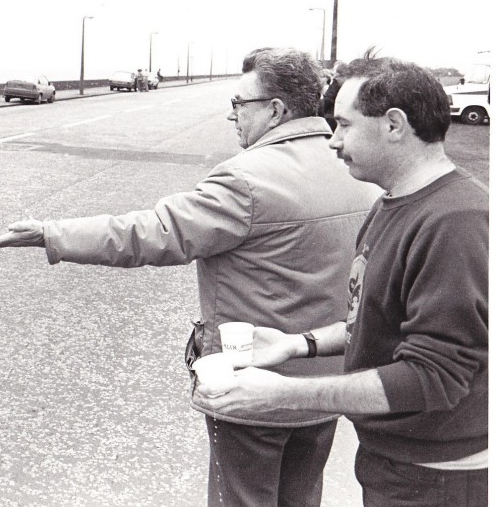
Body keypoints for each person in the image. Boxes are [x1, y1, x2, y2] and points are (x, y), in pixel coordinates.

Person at [0, 48, 381, 507]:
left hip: (253, 384)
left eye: (239, 104)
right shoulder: (355, 167)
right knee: (301, 497)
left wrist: (50, 234)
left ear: (275, 110)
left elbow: (149, 233)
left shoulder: (247, 180)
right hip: (324, 381)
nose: (232, 116)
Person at [194, 57, 488, 507]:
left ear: (394, 125)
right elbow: (376, 320)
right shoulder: (390, 204)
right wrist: (298, 344)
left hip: (437, 479)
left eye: (344, 126)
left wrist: (285, 394)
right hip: (395, 462)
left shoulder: (456, 222)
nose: (333, 141)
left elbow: (434, 377)